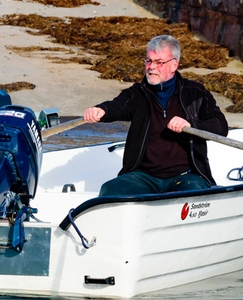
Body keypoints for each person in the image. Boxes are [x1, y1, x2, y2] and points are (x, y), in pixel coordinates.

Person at [83, 35, 229, 196]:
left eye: (159, 62)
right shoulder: (137, 93)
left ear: (174, 65)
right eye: (148, 61)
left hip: (187, 176)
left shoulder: (195, 93)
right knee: (109, 190)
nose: (151, 67)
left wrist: (190, 124)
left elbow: (220, 126)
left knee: (191, 194)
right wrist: (101, 110)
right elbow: (116, 106)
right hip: (143, 176)